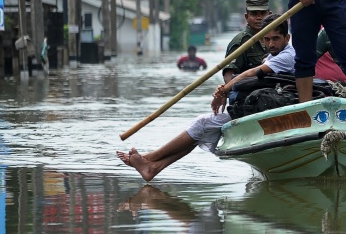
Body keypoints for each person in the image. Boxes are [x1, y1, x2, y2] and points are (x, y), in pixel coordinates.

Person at [116, 14, 294, 182]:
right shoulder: (270, 55)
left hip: (270, 109)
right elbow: (245, 77)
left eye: (276, 39)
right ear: (262, 39)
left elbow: (251, 73)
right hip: (260, 107)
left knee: (202, 124)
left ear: (286, 38)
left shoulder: (287, 55)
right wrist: (224, 89)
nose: (271, 43)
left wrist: (224, 90)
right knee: (203, 127)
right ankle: (153, 167)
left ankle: (149, 158)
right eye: (267, 39)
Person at [222, 0, 271, 83]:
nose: (259, 18)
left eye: (263, 13)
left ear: (270, 15)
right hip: (249, 93)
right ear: (246, 17)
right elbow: (229, 75)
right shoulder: (240, 42)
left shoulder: (276, 38)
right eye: (254, 14)